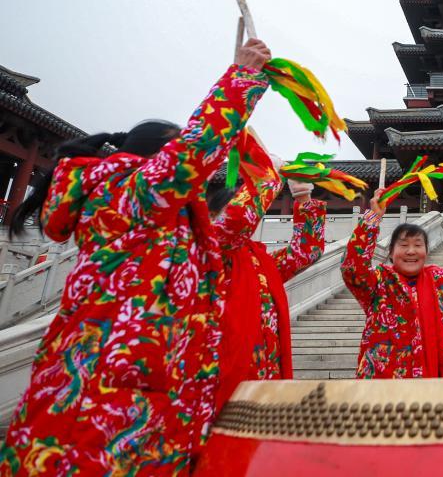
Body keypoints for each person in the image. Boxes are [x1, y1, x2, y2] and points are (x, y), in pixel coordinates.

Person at [0, 38, 273, 476]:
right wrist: (241, 77)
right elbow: (196, 152)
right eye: (173, 149)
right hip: (115, 382)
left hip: (144, 376)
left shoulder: (166, 214)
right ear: (155, 156)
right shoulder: (128, 191)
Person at [210, 152, 326, 410]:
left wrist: (302, 196)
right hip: (219, 374)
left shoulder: (259, 258)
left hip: (266, 372)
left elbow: (305, 252)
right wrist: (265, 175)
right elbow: (236, 221)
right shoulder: (210, 251)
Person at [341, 190, 443, 378]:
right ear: (390, 252)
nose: (411, 251)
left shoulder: (440, 280)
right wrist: (373, 218)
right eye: (403, 245)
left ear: (426, 250)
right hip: (385, 384)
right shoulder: (379, 281)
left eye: (417, 245)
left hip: (435, 382)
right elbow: (352, 268)